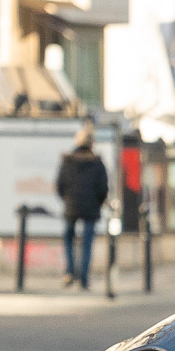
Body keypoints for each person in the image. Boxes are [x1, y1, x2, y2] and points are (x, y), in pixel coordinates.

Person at [55, 123, 110, 289]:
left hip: (71, 207)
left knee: (69, 240)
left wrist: (67, 199)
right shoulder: (97, 162)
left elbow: (60, 185)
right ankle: (84, 279)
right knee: (87, 244)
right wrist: (98, 203)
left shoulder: (68, 161)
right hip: (91, 208)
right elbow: (103, 188)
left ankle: (70, 272)